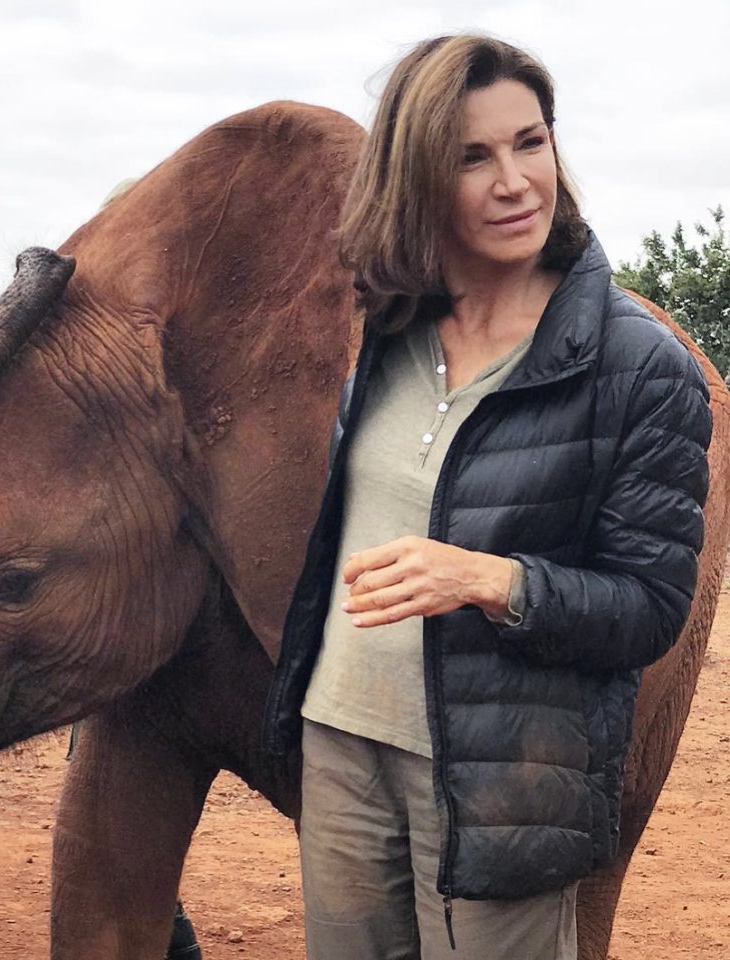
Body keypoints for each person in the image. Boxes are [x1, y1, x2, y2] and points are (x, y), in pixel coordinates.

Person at [262, 34, 712, 960]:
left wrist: (489, 579)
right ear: (415, 179)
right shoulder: (381, 327)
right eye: (472, 157)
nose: (515, 181)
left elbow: (648, 609)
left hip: (505, 777)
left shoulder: (639, 366)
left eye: (530, 142)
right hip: (343, 744)